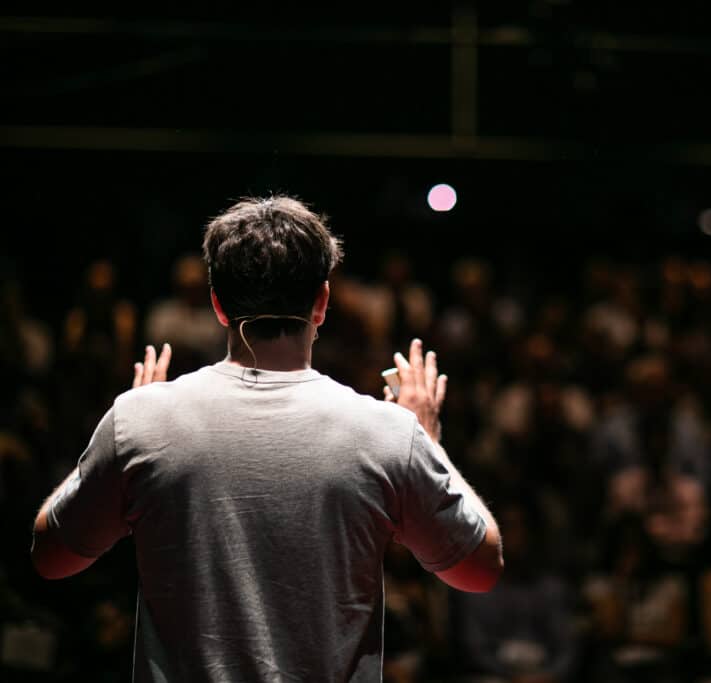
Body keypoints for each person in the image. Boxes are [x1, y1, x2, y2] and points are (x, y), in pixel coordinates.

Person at [29, 196, 504, 682]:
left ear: (217, 304)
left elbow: (51, 557)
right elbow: (480, 568)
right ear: (322, 302)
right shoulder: (387, 431)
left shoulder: (140, 419)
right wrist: (427, 440)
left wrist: (127, 431)